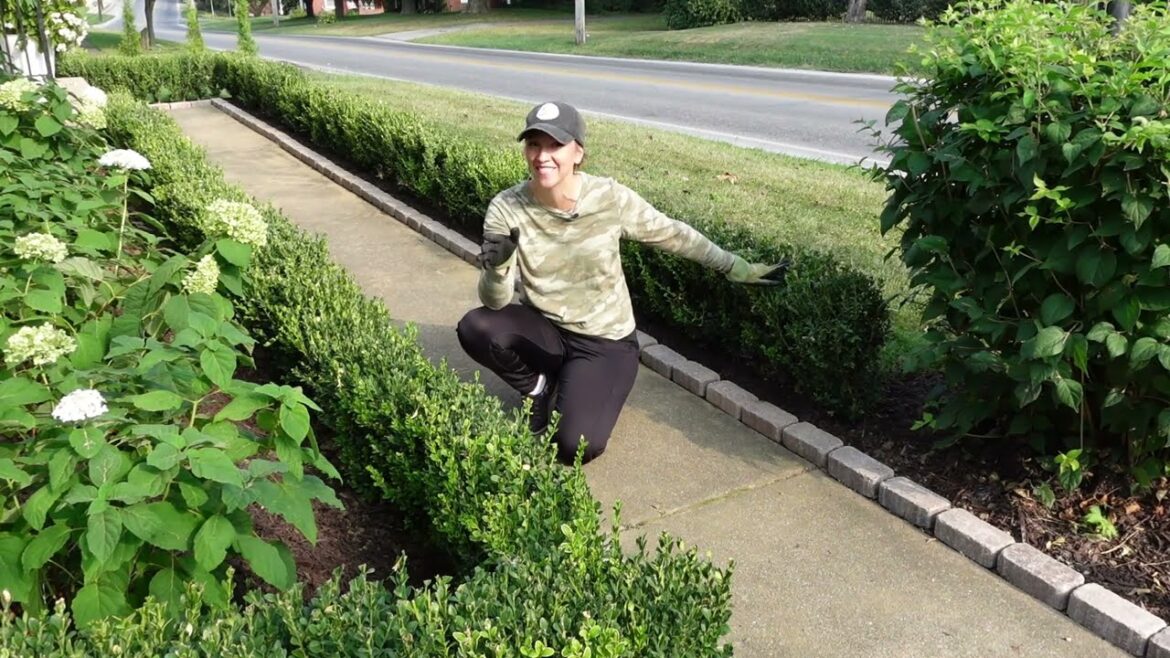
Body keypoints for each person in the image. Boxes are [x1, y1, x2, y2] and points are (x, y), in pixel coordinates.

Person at [456, 100, 788, 465]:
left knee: (573, 446)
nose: (542, 156)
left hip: (605, 342)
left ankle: (579, 384)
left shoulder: (609, 197)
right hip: (546, 329)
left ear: (578, 152)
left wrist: (735, 266)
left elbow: (673, 234)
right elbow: (496, 302)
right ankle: (539, 388)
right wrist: (498, 267)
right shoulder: (507, 208)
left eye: (555, 145)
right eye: (534, 144)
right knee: (476, 327)